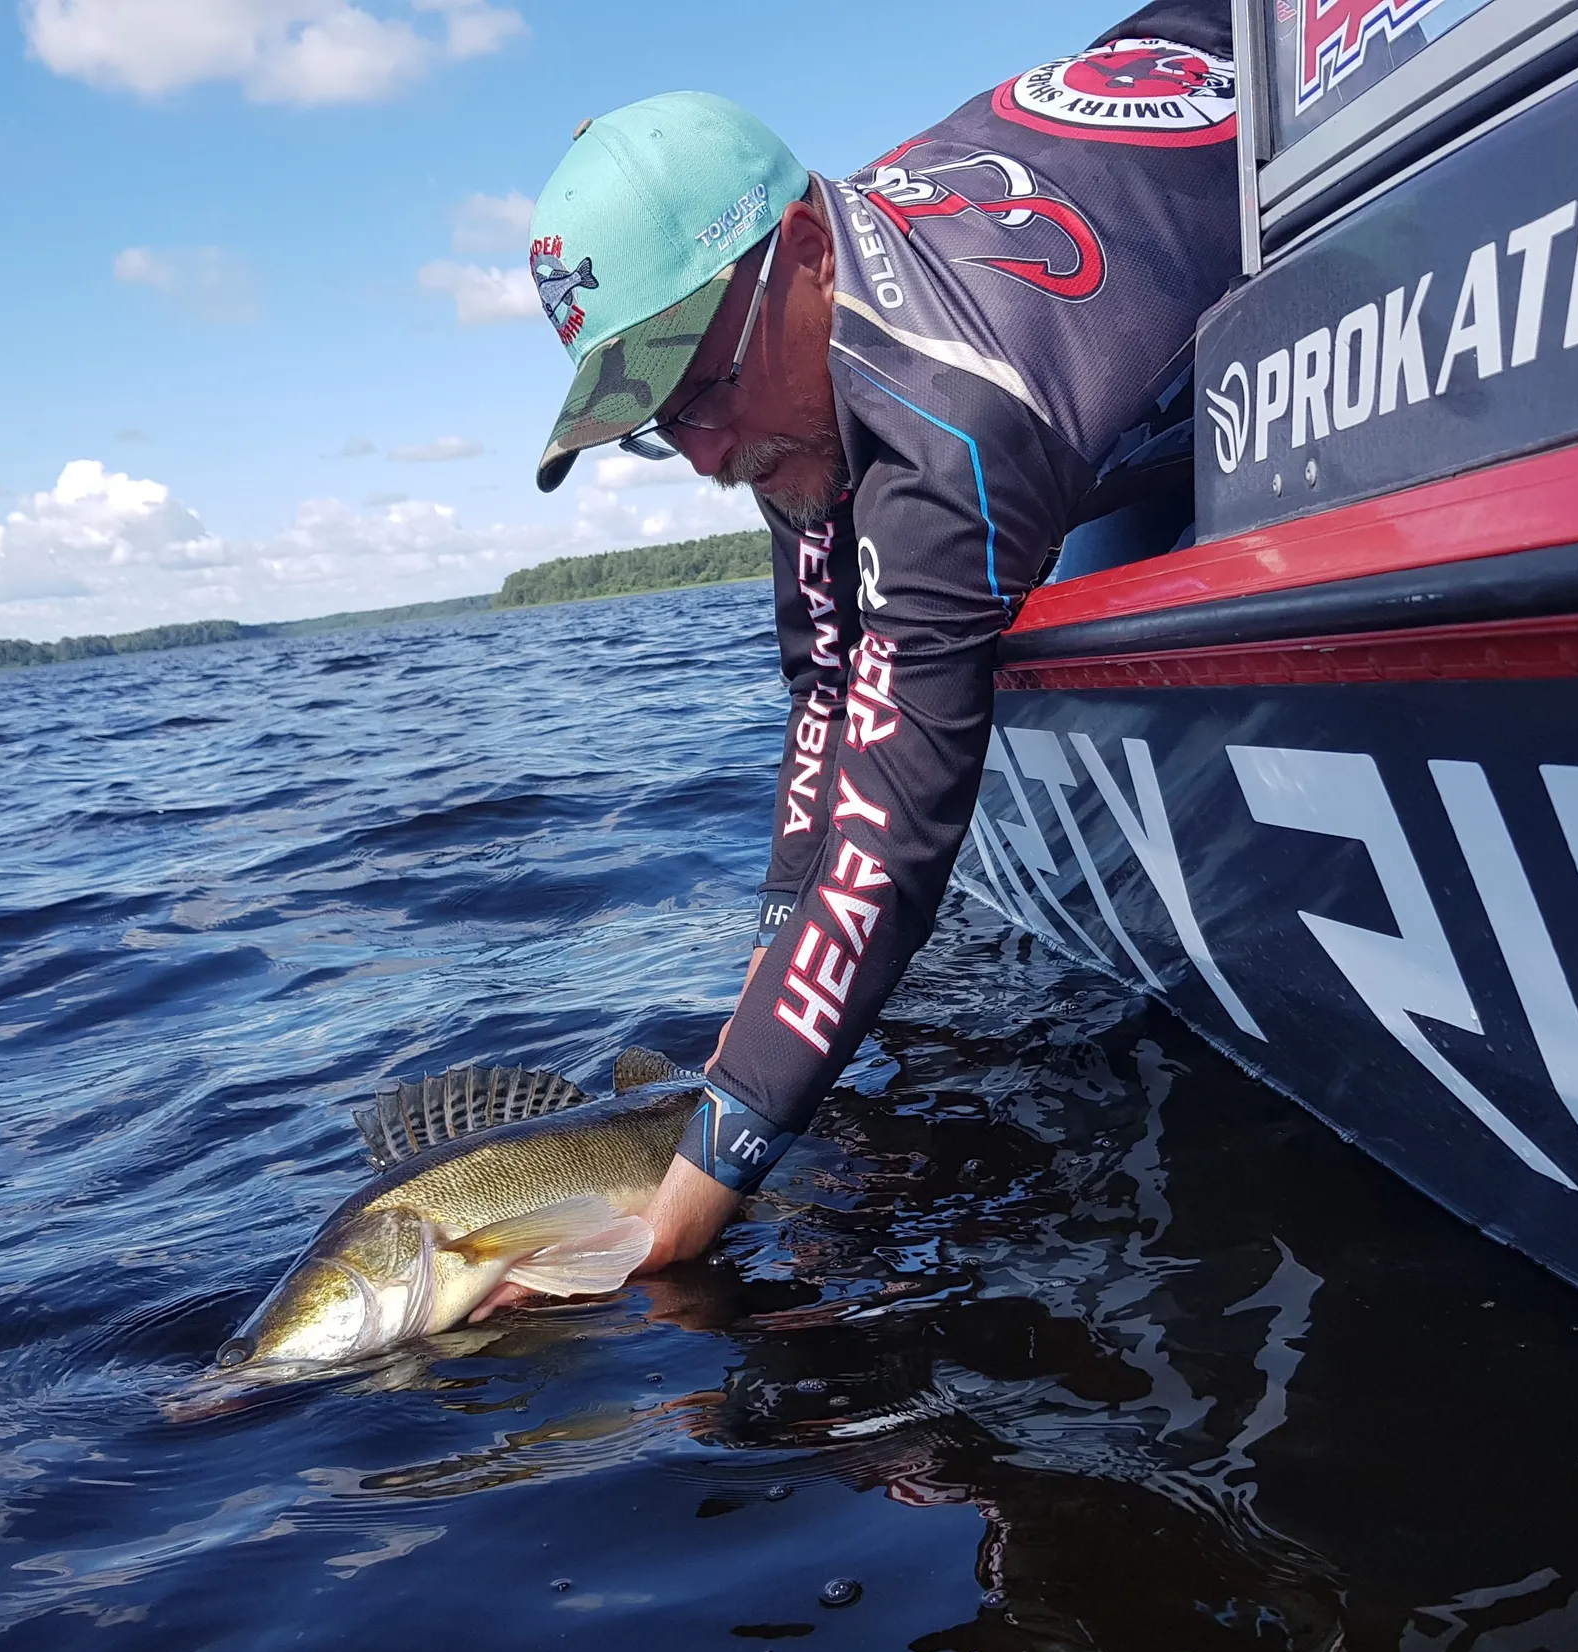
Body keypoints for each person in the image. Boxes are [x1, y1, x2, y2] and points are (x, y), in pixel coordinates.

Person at [525, 10, 1243, 1267]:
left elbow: (892, 843)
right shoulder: (794, 363)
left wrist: (673, 1232)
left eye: (694, 385)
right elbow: (826, 692)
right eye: (651, 417)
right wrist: (768, 975)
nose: (700, 454)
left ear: (802, 247)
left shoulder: (947, 425)